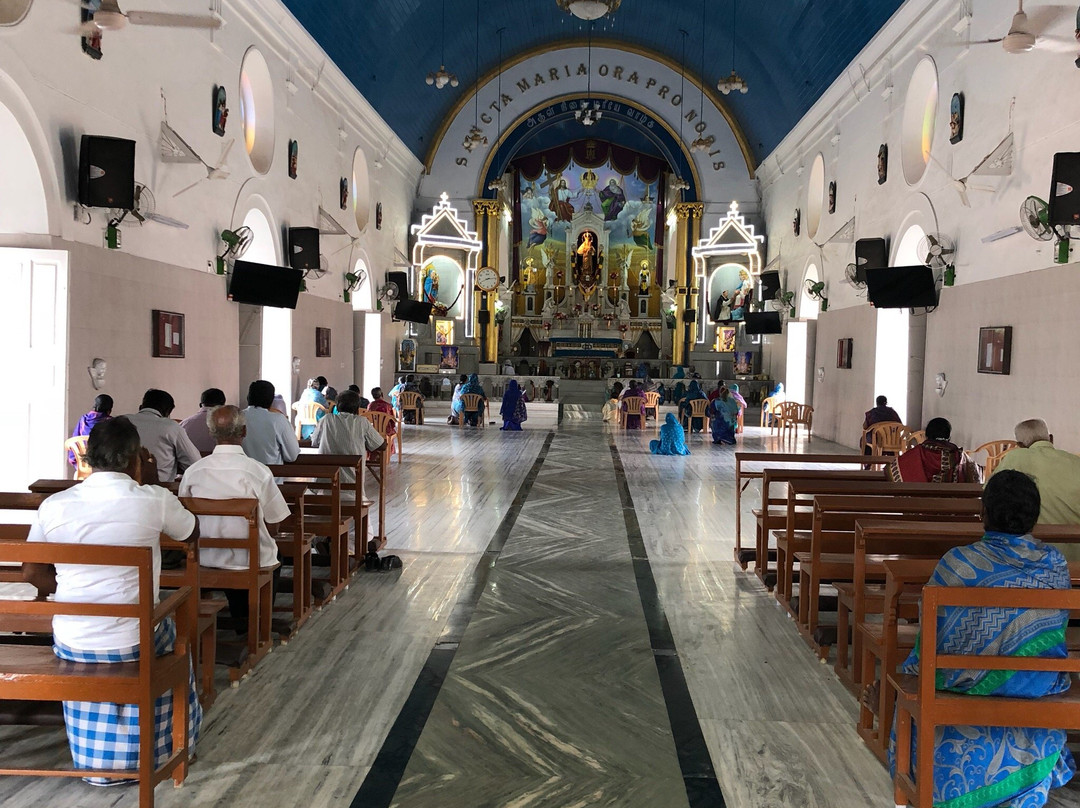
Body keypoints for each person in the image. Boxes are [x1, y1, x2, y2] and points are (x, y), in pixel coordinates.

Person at [24, 417, 201, 785]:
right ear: (135, 459)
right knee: (172, 632)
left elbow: (32, 573)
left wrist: (74, 599)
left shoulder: (54, 505)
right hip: (133, 640)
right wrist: (152, 484)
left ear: (88, 458)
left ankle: (101, 766)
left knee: (144, 625)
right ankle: (165, 749)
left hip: (74, 639)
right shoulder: (153, 499)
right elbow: (191, 531)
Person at [889, 470, 1076, 808]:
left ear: (983, 514)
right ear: (1034, 518)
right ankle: (1025, 781)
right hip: (1031, 683)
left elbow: (931, 630)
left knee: (917, 677)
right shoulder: (1055, 564)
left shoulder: (957, 562)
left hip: (961, 678)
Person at [179, 406, 292, 636]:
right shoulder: (257, 472)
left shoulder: (193, 472)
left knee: (236, 551)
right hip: (250, 559)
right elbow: (274, 524)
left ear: (212, 433)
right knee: (271, 552)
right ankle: (256, 622)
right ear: (244, 431)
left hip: (205, 557)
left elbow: (185, 516)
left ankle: (240, 617)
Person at [310, 391, 386, 555]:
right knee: (364, 529)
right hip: (353, 489)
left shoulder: (326, 420)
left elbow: (314, 441)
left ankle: (321, 539)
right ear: (358, 408)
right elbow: (382, 445)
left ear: (337, 406)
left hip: (325, 487)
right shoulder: (361, 422)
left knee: (326, 512)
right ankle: (349, 549)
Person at [993, 418, 1080, 560]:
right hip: (1076, 555)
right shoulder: (1076, 462)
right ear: (1051, 438)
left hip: (1032, 555)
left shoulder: (1016, 457)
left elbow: (989, 494)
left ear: (1019, 445)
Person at [124, 389, 202, 482]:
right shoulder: (171, 426)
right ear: (167, 412)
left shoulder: (121, 421)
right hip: (160, 487)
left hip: (122, 487)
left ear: (141, 406)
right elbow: (194, 463)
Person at [896, 417, 977, 483]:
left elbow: (894, 469)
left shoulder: (918, 452)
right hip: (951, 501)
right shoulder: (959, 454)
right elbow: (975, 476)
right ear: (949, 436)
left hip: (920, 501)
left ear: (927, 435)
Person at [241, 380, 299, 466]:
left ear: (248, 397)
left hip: (242, 475)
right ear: (271, 400)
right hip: (272, 476)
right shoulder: (278, 420)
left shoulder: (237, 417)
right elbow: (292, 456)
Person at [68, 394, 113, 466]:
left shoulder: (83, 419)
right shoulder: (110, 423)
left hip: (82, 464)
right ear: (109, 410)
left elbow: (75, 439)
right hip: (102, 465)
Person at [180, 388, 226, 455]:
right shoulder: (227, 425)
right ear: (223, 405)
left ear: (200, 404)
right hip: (217, 463)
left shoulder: (183, 424)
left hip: (190, 465)